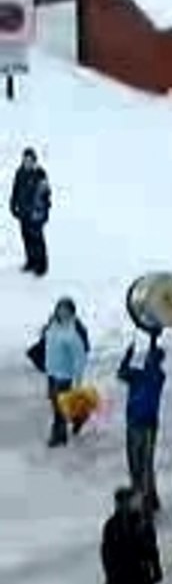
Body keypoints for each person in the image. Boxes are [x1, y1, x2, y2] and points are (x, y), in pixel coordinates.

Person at [117, 342, 166, 515]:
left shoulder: (157, 376)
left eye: (152, 358)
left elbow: (123, 373)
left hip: (144, 425)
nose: (148, 360)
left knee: (142, 464)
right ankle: (146, 498)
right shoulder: (139, 375)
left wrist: (130, 355)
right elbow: (121, 374)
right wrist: (128, 357)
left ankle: (146, 501)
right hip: (136, 424)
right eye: (148, 357)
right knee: (137, 464)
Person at [43, 298, 89, 447]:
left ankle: (59, 436)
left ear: (71, 312)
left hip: (65, 375)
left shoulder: (73, 331)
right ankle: (79, 417)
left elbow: (80, 357)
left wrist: (78, 378)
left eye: (66, 310)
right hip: (51, 372)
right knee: (55, 402)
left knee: (59, 408)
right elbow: (47, 342)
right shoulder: (52, 324)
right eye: (60, 309)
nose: (62, 312)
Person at [9, 147, 52, 276]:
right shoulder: (20, 173)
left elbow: (46, 195)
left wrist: (43, 213)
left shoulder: (40, 174)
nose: (27, 162)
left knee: (37, 240)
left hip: (36, 215)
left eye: (30, 160)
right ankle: (31, 261)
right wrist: (13, 205)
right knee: (27, 239)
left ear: (34, 160)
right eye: (25, 160)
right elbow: (15, 190)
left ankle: (42, 266)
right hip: (23, 213)